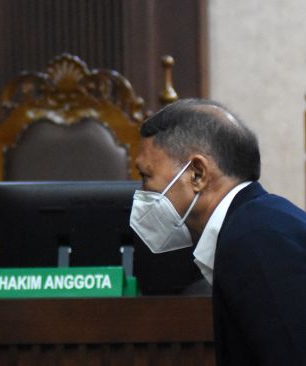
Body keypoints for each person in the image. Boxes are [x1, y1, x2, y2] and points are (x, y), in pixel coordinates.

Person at [129, 98, 306, 365]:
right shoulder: (255, 223)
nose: (142, 193)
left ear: (197, 174)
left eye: (146, 176)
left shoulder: (254, 240)